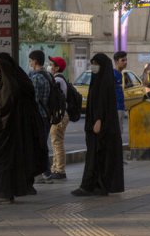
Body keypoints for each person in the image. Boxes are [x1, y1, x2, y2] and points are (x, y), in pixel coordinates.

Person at [72, 53, 125, 197]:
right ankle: (97, 185)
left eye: (96, 64)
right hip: (95, 125)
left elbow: (103, 103)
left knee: (96, 155)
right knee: (96, 155)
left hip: (100, 126)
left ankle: (90, 186)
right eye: (92, 63)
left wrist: (98, 120)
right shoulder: (97, 80)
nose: (93, 67)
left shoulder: (106, 83)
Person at [0, 57, 34, 203]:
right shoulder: (3, 86)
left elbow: (1, 108)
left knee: (0, 162)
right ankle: (4, 192)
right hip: (2, 132)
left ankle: (2, 194)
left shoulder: (8, 88)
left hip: (5, 132)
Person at [27, 50, 53, 184]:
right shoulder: (47, 75)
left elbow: (34, 100)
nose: (30, 63)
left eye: (30, 60)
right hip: (46, 115)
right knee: (42, 144)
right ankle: (45, 172)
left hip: (39, 116)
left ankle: (44, 173)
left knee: (39, 144)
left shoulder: (36, 78)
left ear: (35, 61)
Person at [47, 56, 70, 180]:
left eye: (52, 65)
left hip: (59, 115)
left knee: (57, 142)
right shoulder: (60, 79)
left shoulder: (57, 80)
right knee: (56, 141)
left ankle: (60, 170)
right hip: (62, 114)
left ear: (57, 67)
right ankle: (55, 168)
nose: (50, 67)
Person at [113, 51, 128, 135]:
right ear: (116, 61)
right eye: (123, 60)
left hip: (121, 107)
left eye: (126, 60)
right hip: (116, 108)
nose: (125, 62)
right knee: (117, 132)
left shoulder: (120, 74)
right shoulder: (113, 74)